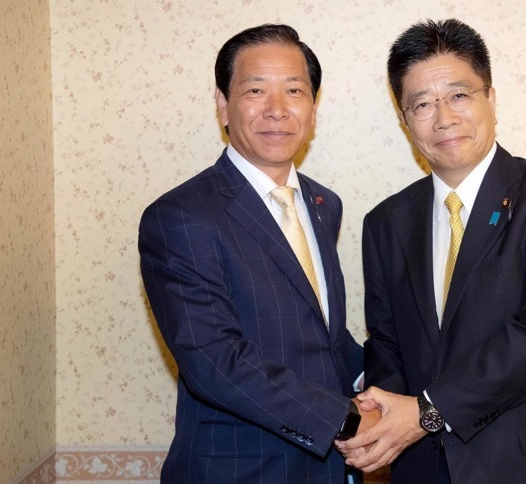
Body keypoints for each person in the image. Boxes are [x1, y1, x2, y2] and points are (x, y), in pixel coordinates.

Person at [336, 19, 526, 483]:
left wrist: (427, 412)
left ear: (491, 99)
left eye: (459, 95)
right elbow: (387, 343)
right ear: (405, 120)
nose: (444, 117)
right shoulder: (385, 222)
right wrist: (383, 418)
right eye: (422, 104)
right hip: (424, 467)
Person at [139, 24, 378, 483]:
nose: (277, 109)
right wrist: (346, 421)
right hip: (240, 469)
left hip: (330, 470)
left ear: (312, 108)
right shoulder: (181, 216)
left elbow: (320, 336)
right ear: (222, 104)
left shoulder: (324, 204)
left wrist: (390, 386)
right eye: (255, 90)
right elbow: (213, 359)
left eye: (294, 90)